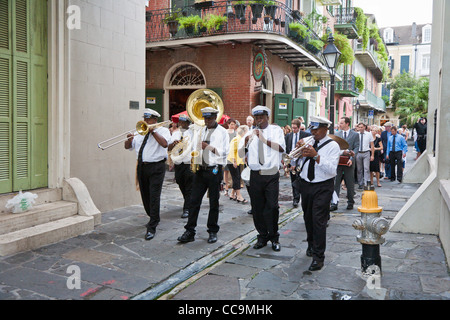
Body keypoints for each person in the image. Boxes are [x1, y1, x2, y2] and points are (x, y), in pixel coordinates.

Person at [177, 107, 229, 244]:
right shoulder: (200, 131)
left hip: (214, 170)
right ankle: (190, 231)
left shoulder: (223, 132)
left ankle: (212, 231)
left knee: (213, 203)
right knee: (194, 202)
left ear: (215, 118)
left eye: (210, 118)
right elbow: (195, 147)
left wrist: (208, 147)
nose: (207, 121)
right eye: (205, 118)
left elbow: (224, 153)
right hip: (200, 170)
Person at [296, 116, 340, 271]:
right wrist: (299, 153)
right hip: (306, 184)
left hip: (323, 186)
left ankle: (318, 257)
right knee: (307, 217)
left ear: (325, 129)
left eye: (316, 129)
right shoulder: (308, 140)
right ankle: (311, 245)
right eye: (311, 129)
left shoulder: (333, 146)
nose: (313, 132)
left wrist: (315, 155)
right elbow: (298, 161)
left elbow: (332, 170)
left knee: (319, 221)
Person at [238, 106, 285, 252]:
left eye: (261, 118)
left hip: (270, 173)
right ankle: (262, 236)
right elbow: (240, 154)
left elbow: (281, 148)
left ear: (267, 118)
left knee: (272, 207)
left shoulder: (276, 131)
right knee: (257, 208)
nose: (259, 120)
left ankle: (274, 237)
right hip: (255, 174)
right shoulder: (250, 133)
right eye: (256, 118)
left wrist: (263, 139)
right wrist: (246, 141)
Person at [125, 109, 171, 241]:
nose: (146, 121)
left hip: (156, 166)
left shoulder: (163, 131)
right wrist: (129, 139)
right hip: (141, 166)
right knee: (145, 195)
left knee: (154, 195)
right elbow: (127, 147)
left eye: (149, 119)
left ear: (155, 120)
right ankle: (153, 216)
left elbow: (164, 144)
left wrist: (153, 131)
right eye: (145, 119)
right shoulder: (140, 131)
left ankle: (152, 226)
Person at [330, 117, 360, 211]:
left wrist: (352, 158)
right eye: (340, 123)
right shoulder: (337, 134)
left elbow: (356, 147)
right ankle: (334, 203)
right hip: (338, 162)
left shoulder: (355, 134)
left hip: (349, 162)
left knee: (350, 183)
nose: (340, 125)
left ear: (347, 124)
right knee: (336, 183)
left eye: (342, 123)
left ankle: (350, 202)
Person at [168, 114, 194, 218]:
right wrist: (174, 144)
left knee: (189, 185)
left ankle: (187, 208)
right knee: (180, 182)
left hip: (189, 162)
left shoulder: (192, 133)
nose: (181, 124)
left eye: (183, 123)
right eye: (180, 122)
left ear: (188, 123)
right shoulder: (176, 133)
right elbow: (168, 147)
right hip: (178, 163)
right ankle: (188, 201)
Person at [284, 119, 311, 208]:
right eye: (292, 128)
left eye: (295, 128)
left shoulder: (305, 135)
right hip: (292, 160)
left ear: (299, 127)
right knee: (294, 180)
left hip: (301, 160)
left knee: (303, 180)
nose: (294, 130)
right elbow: (287, 149)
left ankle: (304, 198)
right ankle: (296, 199)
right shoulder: (288, 136)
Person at [227, 125, 249, 203]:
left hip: (237, 161)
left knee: (237, 177)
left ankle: (232, 194)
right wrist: (234, 161)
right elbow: (232, 150)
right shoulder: (236, 139)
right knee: (236, 178)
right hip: (233, 161)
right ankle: (239, 196)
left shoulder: (241, 139)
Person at [355, 123, 374, 189]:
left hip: (366, 152)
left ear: (364, 127)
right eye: (359, 127)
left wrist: (372, 155)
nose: (360, 128)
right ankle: (360, 183)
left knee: (366, 168)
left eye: (362, 127)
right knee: (359, 169)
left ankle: (366, 183)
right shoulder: (356, 134)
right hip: (358, 153)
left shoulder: (369, 134)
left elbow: (372, 145)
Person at [223, 119, 237, 198]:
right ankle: (226, 188)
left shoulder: (236, 133)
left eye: (234, 124)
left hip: (233, 154)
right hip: (227, 153)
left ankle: (233, 190)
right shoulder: (225, 132)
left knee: (233, 172)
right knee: (226, 172)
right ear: (228, 124)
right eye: (231, 124)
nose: (232, 126)